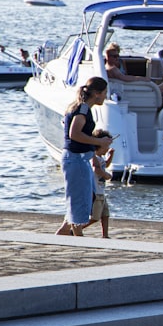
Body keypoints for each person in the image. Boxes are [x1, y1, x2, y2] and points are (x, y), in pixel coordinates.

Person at [55, 77, 112, 237]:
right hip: (76, 158)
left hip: (80, 158)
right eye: (105, 93)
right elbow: (74, 133)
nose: (105, 97)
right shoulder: (83, 109)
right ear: (96, 94)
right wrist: (98, 141)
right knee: (79, 199)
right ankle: (77, 234)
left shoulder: (80, 107)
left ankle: (65, 231)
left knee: (86, 197)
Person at [85, 129, 114, 238]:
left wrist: (111, 155)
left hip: (101, 191)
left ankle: (105, 235)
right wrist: (106, 175)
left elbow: (105, 165)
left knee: (105, 214)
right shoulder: (94, 158)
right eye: (106, 147)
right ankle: (77, 228)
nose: (107, 149)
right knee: (95, 217)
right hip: (96, 191)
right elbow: (97, 169)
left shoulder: (100, 158)